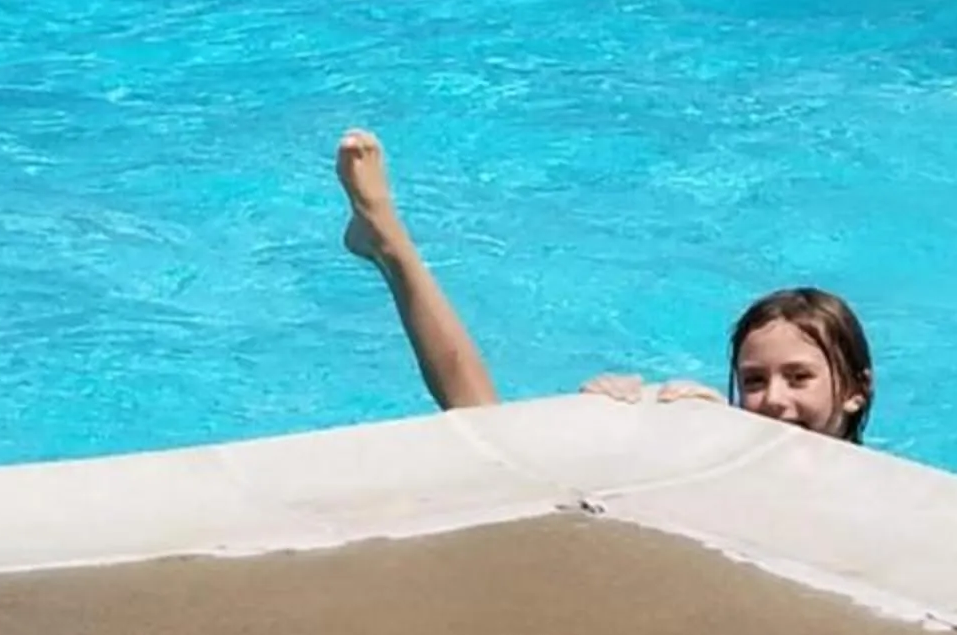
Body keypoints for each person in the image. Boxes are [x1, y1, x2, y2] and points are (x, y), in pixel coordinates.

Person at [335, 132, 874, 440]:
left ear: (855, 391)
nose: (773, 400)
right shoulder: (722, 441)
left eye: (798, 378)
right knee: (489, 433)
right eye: (753, 380)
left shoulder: (889, 491)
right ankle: (391, 243)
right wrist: (619, 420)